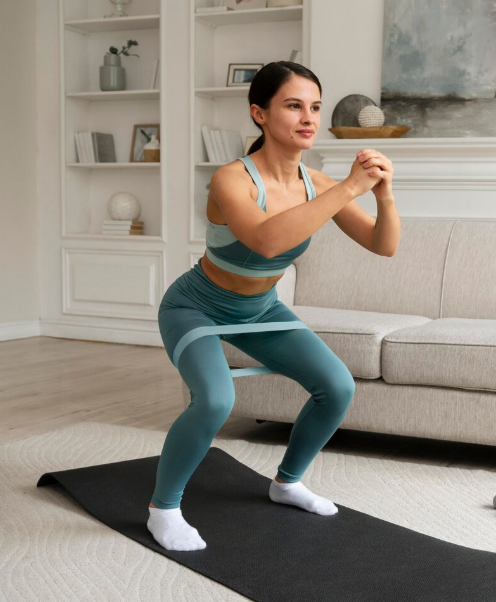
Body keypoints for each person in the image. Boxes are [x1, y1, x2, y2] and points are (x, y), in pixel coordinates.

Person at [146, 61, 399, 551]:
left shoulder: (317, 184)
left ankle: (286, 482)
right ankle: (164, 509)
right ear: (259, 114)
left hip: (259, 308)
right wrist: (350, 187)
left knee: (336, 386)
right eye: (293, 106)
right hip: (195, 306)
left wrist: (385, 196)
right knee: (216, 400)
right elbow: (264, 241)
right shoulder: (230, 179)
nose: (308, 117)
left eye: (315, 107)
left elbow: (383, 245)